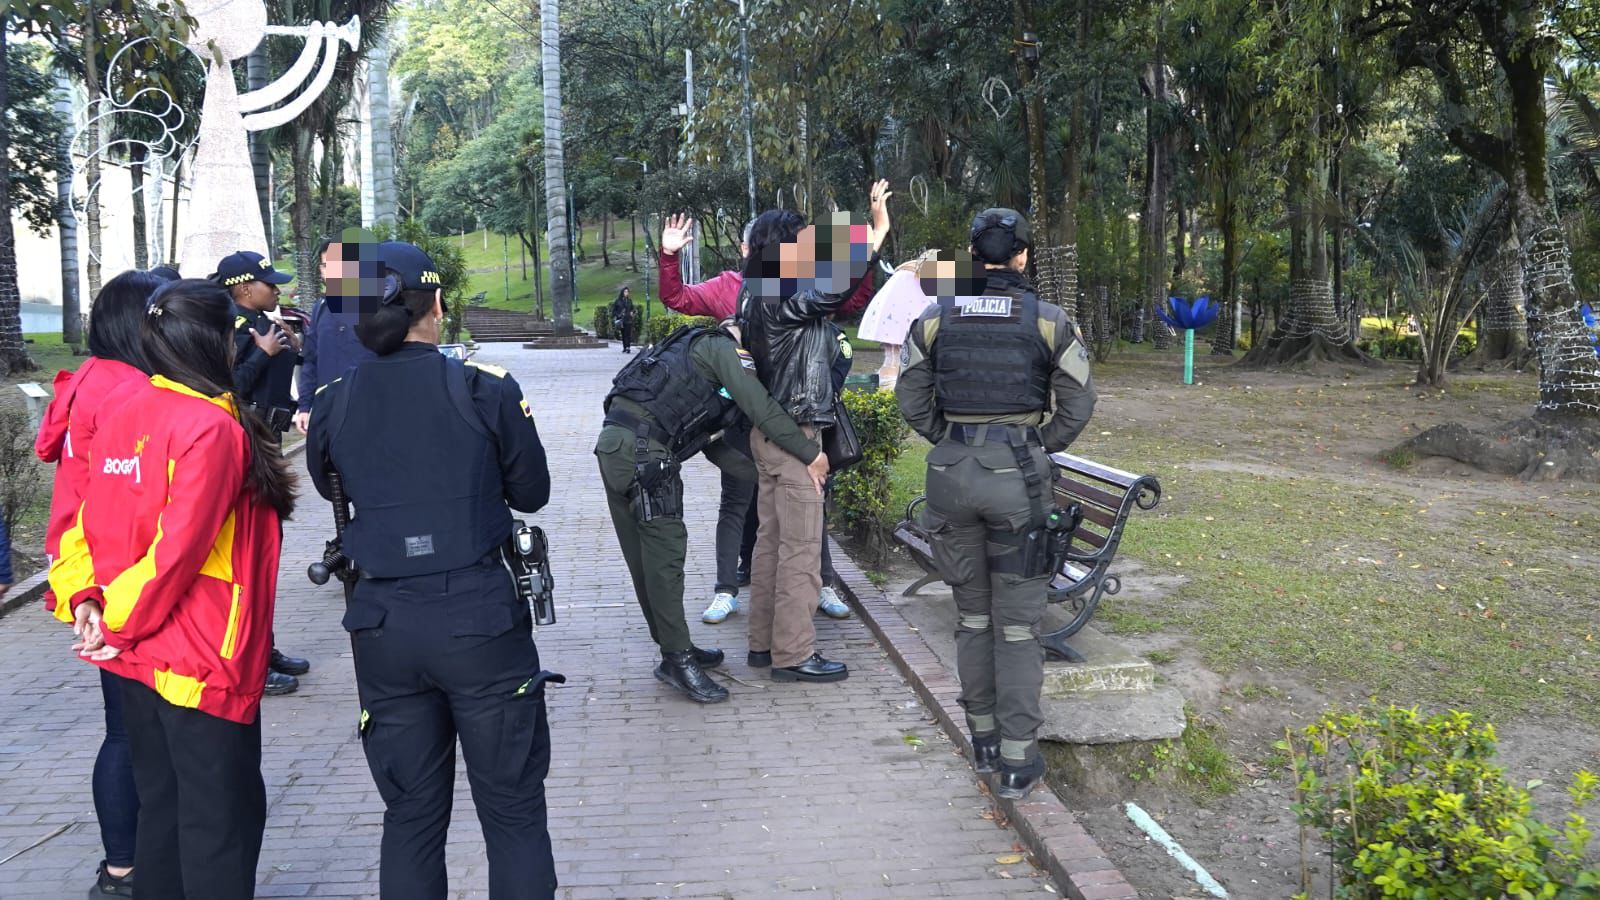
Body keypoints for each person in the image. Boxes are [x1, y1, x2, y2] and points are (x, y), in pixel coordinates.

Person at [307, 241, 559, 900]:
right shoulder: (485, 387)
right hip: (479, 620)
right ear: (437, 306)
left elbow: (327, 482)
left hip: (384, 629)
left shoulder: (334, 400)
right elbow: (530, 492)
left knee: (410, 818)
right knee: (512, 813)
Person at [49, 277, 297, 900]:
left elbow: (79, 525)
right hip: (200, 657)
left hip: (137, 656)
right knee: (219, 824)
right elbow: (176, 553)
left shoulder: (123, 410)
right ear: (216, 339)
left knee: (161, 815)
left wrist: (89, 605)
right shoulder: (209, 427)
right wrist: (117, 622)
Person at [895, 216, 1097, 800]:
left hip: (951, 480)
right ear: (1023, 258)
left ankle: (982, 741)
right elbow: (1080, 401)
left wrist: (952, 439)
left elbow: (909, 393)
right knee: (1016, 627)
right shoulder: (1048, 320)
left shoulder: (936, 317)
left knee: (973, 618)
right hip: (1017, 486)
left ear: (972, 258)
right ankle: (1017, 762)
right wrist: (1035, 444)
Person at [658, 210, 890, 625]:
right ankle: (752, 613)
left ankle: (806, 601)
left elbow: (849, 299)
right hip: (763, 420)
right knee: (762, 515)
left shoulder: (781, 287)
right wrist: (669, 257)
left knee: (785, 523)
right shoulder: (753, 289)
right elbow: (678, 299)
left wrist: (863, 256)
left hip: (781, 417)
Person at [597, 316, 829, 703]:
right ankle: (677, 659)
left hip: (614, 446)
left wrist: (768, 477)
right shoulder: (722, 348)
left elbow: (710, 444)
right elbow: (762, 408)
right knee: (665, 562)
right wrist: (810, 454)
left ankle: (674, 645)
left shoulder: (686, 347)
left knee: (643, 562)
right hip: (647, 458)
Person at [35, 268, 172, 898]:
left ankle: (130, 861)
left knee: (129, 726)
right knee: (129, 730)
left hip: (93, 570)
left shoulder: (92, 377)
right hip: (113, 576)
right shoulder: (124, 391)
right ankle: (123, 868)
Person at [739, 181, 894, 684]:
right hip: (795, 436)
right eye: (802, 239)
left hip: (768, 434)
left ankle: (764, 645)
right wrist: (874, 236)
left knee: (770, 544)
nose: (811, 246)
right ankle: (794, 654)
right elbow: (833, 287)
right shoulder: (781, 294)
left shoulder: (754, 291)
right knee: (801, 551)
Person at [213, 249, 311, 696]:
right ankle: (251, 659)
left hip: (267, 442)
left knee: (265, 553)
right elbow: (231, 387)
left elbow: (282, 377)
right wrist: (264, 352)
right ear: (246, 288)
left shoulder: (266, 322)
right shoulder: (231, 326)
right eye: (270, 283)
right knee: (249, 556)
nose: (278, 289)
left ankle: (264, 647)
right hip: (246, 445)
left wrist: (290, 345)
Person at [293, 237, 378, 434]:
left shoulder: (377, 307)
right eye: (326, 265)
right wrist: (304, 406)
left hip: (371, 410)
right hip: (330, 412)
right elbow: (310, 360)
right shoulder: (320, 309)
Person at [611, 286, 639, 352]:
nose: (627, 293)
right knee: (623, 334)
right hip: (621, 320)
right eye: (625, 292)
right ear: (622, 292)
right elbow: (614, 311)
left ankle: (628, 347)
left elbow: (632, 308)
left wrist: (632, 312)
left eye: (627, 292)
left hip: (628, 319)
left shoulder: (629, 301)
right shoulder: (618, 301)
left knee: (628, 334)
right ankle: (624, 347)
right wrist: (618, 315)